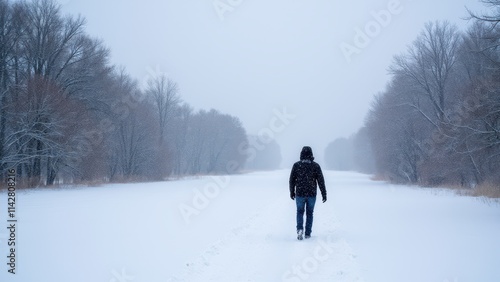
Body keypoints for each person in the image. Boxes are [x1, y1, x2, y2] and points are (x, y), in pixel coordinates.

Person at [289, 146, 327, 240]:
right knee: (310, 213)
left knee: (300, 212)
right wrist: (324, 193)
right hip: (311, 193)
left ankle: (299, 230)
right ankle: (307, 233)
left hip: (300, 193)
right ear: (311, 154)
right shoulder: (315, 166)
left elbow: (292, 180)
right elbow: (321, 181)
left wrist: (292, 191)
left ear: (301, 154)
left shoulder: (297, 165)